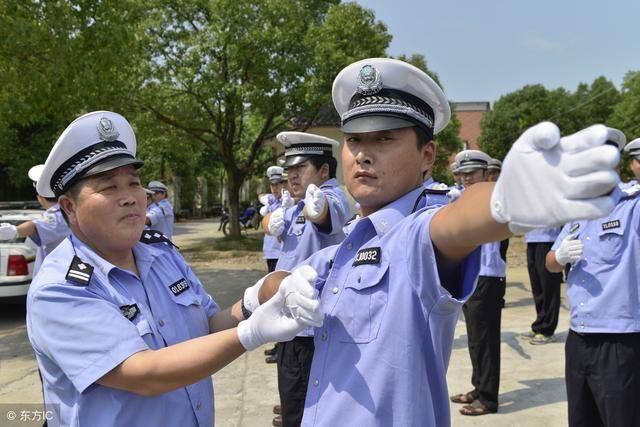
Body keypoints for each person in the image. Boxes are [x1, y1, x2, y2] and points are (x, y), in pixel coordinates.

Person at [244, 57, 620, 426]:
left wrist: (503, 202)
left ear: (427, 155)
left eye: (385, 138)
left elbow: (454, 223)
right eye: (354, 139)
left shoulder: (413, 233)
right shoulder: (351, 242)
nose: (362, 154)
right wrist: (264, 291)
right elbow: (300, 276)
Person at [25, 111, 323, 426]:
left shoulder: (159, 255)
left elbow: (208, 324)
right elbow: (144, 373)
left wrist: (260, 295)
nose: (129, 198)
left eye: (133, 183)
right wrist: (251, 333)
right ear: (69, 206)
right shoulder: (61, 288)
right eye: (109, 187)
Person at [545, 128, 639, 427]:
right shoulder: (577, 211)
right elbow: (549, 262)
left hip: (619, 339)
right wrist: (559, 257)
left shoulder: (632, 204)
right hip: (578, 337)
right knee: (581, 419)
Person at [262, 131, 350, 427]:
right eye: (289, 171)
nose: (292, 177)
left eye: (300, 169)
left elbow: (328, 211)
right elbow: (274, 226)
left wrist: (320, 209)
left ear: (324, 170)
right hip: (289, 321)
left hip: (307, 328)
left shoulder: (329, 197)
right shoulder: (297, 203)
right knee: (293, 395)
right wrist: (269, 219)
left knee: (300, 405)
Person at [450, 149, 509, 416]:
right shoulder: (461, 197)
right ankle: (478, 387)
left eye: (471, 174)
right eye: (462, 175)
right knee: (475, 338)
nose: (466, 180)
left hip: (487, 277)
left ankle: (488, 398)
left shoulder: (496, 199)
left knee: (486, 340)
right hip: (470, 276)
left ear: (486, 174)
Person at [0, 164, 70, 275]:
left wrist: (14, 231)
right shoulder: (68, 211)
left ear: (40, 197)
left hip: (54, 276)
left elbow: (34, 227)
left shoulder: (57, 215)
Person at [523, 226, 563, 344]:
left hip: (548, 239)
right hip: (531, 238)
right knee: (537, 285)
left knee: (549, 285)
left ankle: (547, 330)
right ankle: (539, 324)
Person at [260, 166, 292, 273]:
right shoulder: (271, 201)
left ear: (283, 184)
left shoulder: (288, 201)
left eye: (277, 184)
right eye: (272, 185)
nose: (274, 188)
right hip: (270, 250)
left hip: (283, 251)